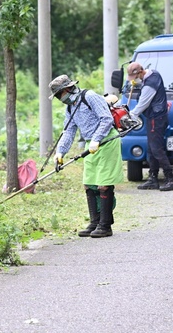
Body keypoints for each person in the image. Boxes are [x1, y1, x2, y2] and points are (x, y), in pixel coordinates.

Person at [49, 75, 124, 238]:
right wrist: (60, 152)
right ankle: (95, 222)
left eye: (58, 94)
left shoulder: (90, 97)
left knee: (104, 184)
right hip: (92, 145)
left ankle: (105, 226)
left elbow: (106, 119)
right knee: (89, 184)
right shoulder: (70, 107)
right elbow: (68, 130)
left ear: (67, 89)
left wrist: (96, 139)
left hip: (106, 141)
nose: (58, 98)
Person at [126, 62, 173, 191]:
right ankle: (152, 179)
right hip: (156, 117)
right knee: (151, 149)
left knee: (157, 150)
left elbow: (143, 103)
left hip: (156, 118)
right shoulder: (154, 74)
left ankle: (170, 179)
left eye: (134, 77)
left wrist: (130, 115)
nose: (134, 80)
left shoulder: (150, 84)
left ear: (140, 72)